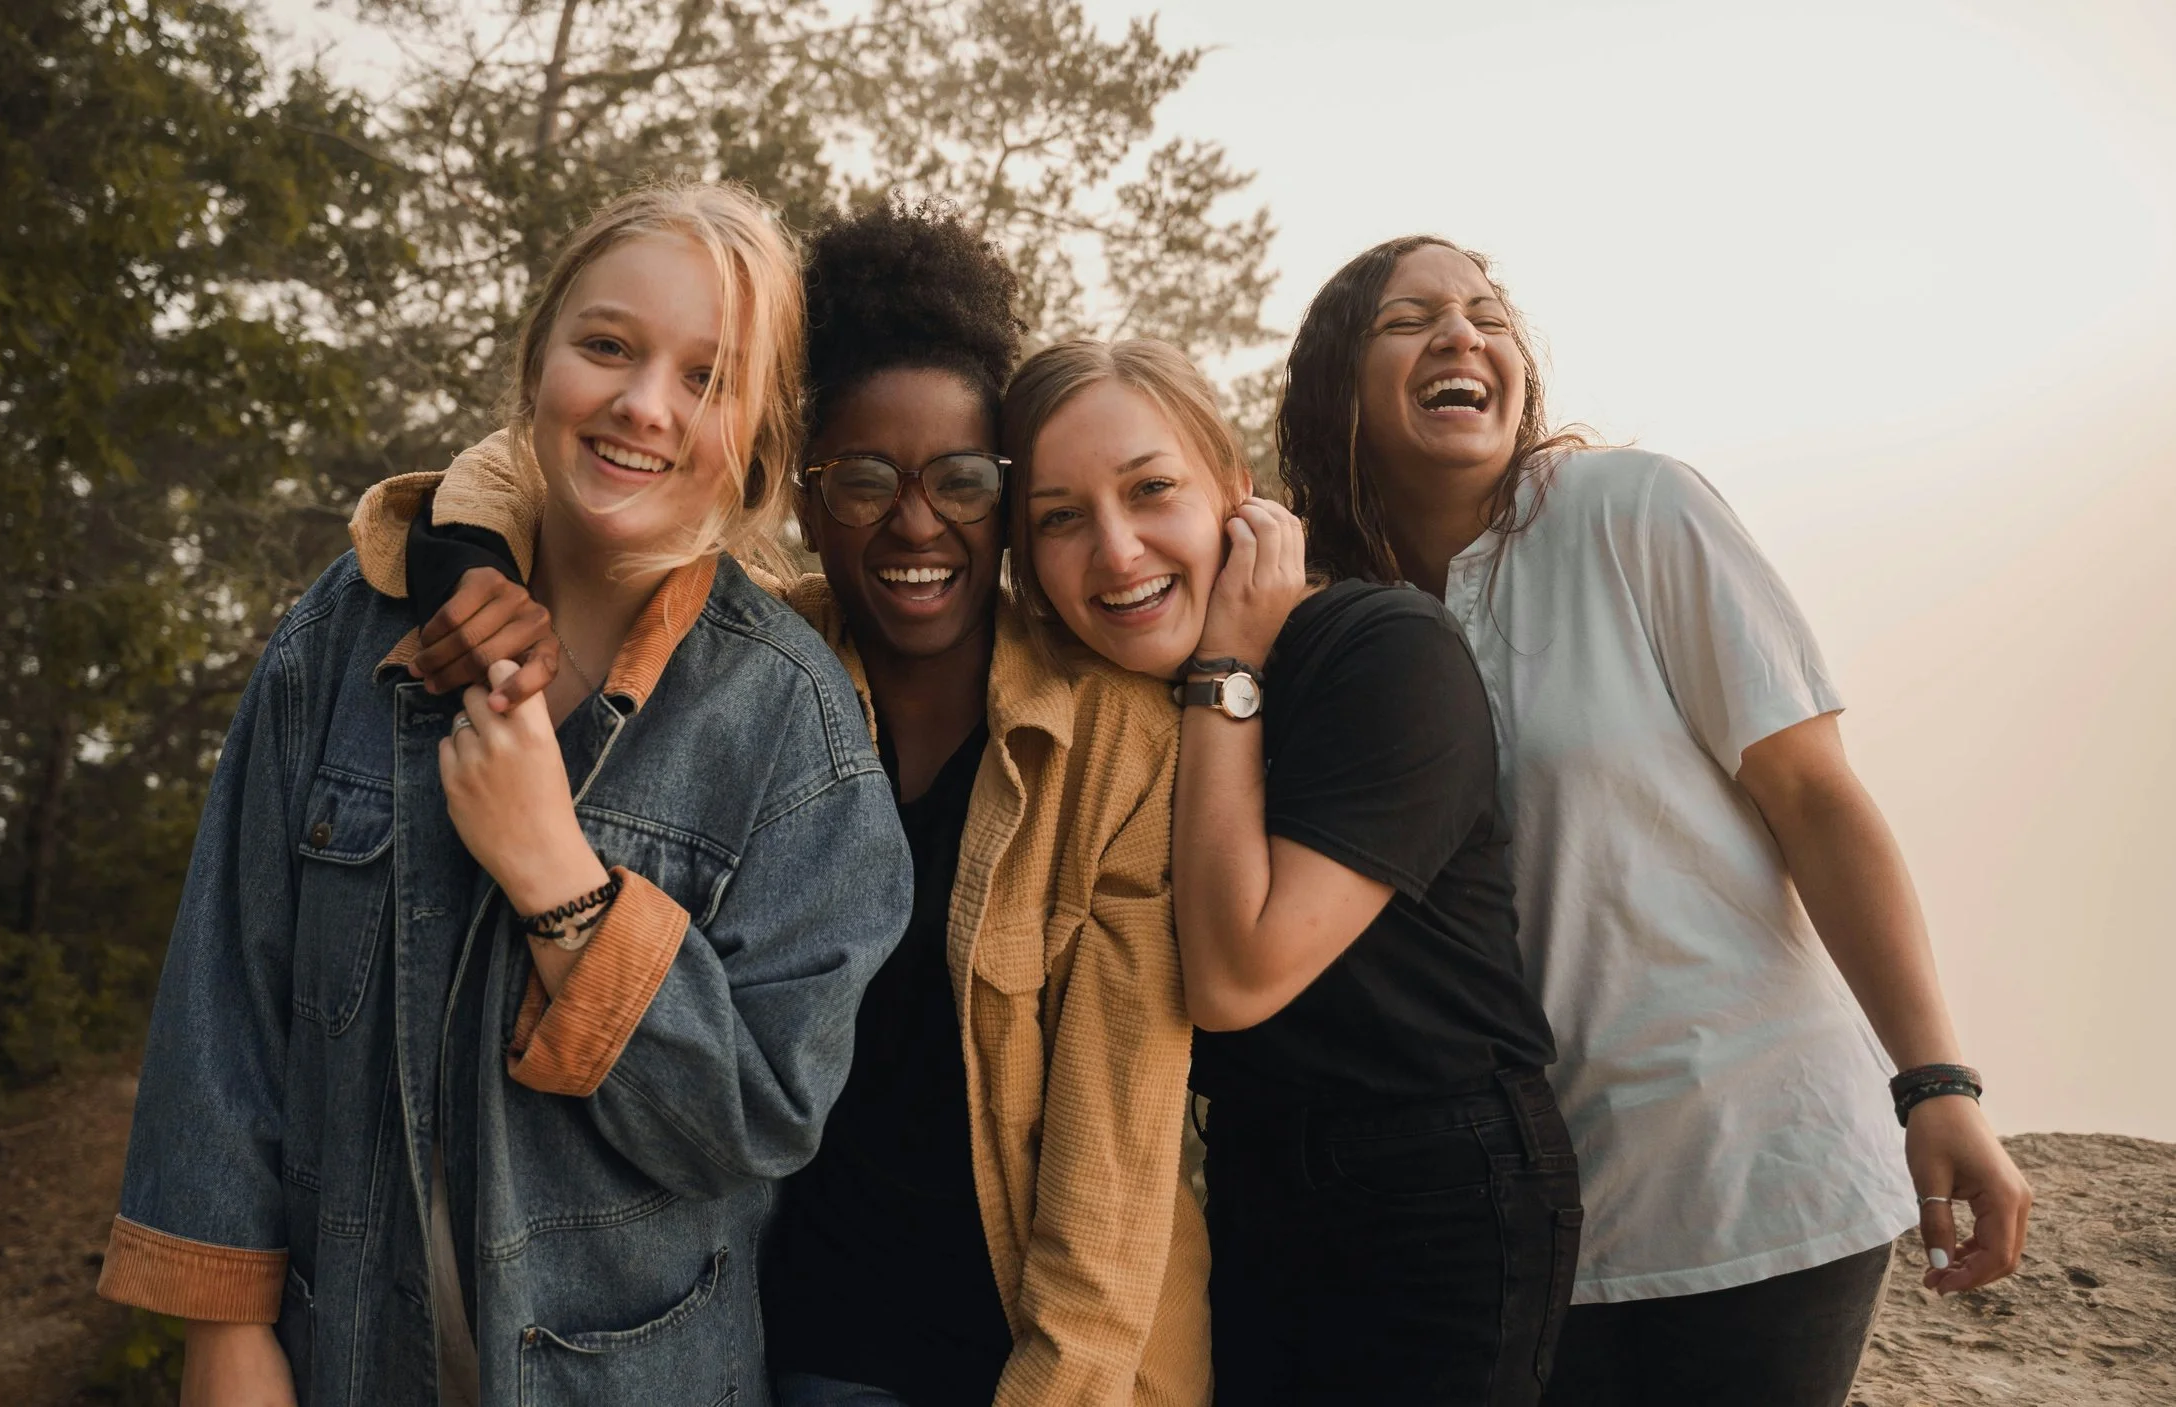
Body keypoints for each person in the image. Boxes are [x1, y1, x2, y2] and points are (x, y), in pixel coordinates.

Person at [352, 200, 1211, 1407]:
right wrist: (469, 551)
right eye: (862, 477)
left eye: (960, 479)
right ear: (799, 492)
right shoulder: (749, 675)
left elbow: (1116, 1148)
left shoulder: (1115, 735)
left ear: (1008, 496)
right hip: (787, 1348)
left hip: (1047, 1357)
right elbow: (510, 463)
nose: (916, 522)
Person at [96, 182, 911, 1407]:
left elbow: (760, 1115)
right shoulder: (346, 632)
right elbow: (227, 991)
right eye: (608, 347)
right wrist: (223, 1329)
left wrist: (558, 881)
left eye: (707, 377)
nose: (644, 405)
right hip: (341, 1360)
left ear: (757, 433)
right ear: (538, 362)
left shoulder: (793, 725)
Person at [1275, 234, 2033, 1406]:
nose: (1462, 335)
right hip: (1521, 1209)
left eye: (1485, 313)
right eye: (1407, 318)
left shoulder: (1633, 510)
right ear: (1339, 389)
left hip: (1752, 1167)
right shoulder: (1328, 623)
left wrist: (1935, 1084)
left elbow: (1815, 799)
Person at [1004, 337, 1578, 1404]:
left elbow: (1233, 978)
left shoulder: (1383, 649)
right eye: (1059, 517)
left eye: (1151, 490)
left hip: (1435, 1185)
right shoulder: (1105, 712)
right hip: (1256, 1188)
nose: (1118, 552)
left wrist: (1226, 672)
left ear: (1234, 490)